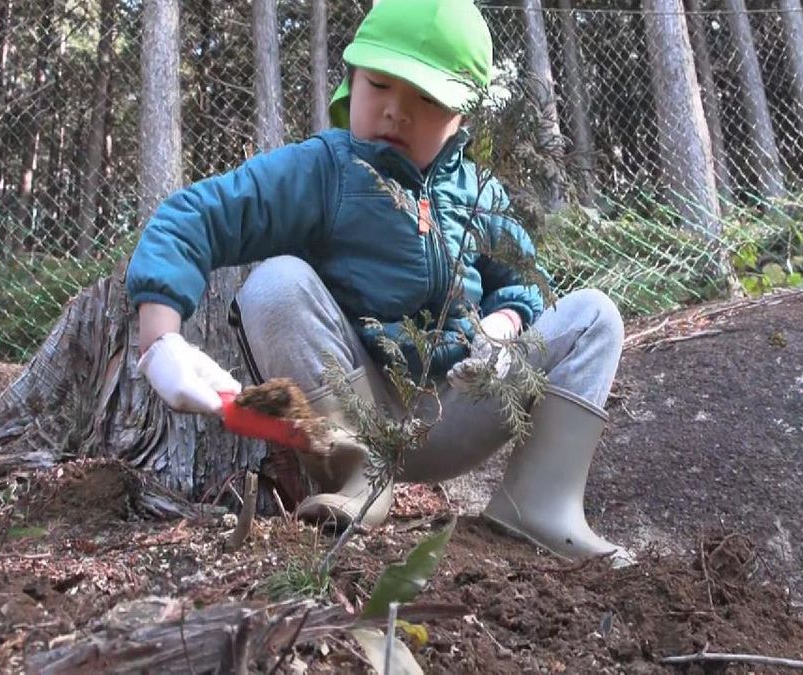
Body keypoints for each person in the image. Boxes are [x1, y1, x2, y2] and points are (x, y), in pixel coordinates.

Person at [128, 0, 629, 565]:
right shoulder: (325, 170)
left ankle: (539, 502)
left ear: (463, 112)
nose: (396, 112)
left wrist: (506, 324)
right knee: (275, 283)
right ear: (352, 78)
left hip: (459, 407)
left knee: (594, 316)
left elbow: (523, 285)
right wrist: (159, 339)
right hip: (354, 409)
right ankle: (356, 480)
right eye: (381, 84)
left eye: (427, 98)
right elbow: (194, 217)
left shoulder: (482, 193)